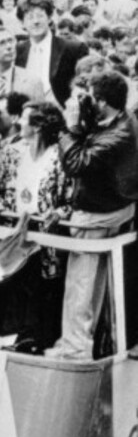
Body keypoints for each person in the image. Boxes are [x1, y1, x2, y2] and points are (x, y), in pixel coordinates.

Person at [48, 71, 138, 359]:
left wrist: (70, 127)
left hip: (97, 213)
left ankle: (74, 348)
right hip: (113, 210)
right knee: (94, 284)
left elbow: (76, 162)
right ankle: (84, 344)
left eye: (91, 97)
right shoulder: (122, 122)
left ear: (102, 102)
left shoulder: (120, 134)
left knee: (81, 284)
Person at [0, 102, 72, 349]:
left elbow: (70, 200)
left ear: (39, 126)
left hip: (45, 240)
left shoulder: (60, 156)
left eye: (23, 118)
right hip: (13, 235)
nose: (17, 123)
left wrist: (58, 213)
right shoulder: (12, 152)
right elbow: (3, 191)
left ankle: (35, 343)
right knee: (7, 290)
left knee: (40, 296)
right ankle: (3, 338)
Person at [15, 0, 88, 108]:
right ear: (22, 23)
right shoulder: (18, 50)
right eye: (30, 17)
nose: (36, 22)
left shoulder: (73, 48)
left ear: (49, 18)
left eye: (40, 16)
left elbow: (84, 84)